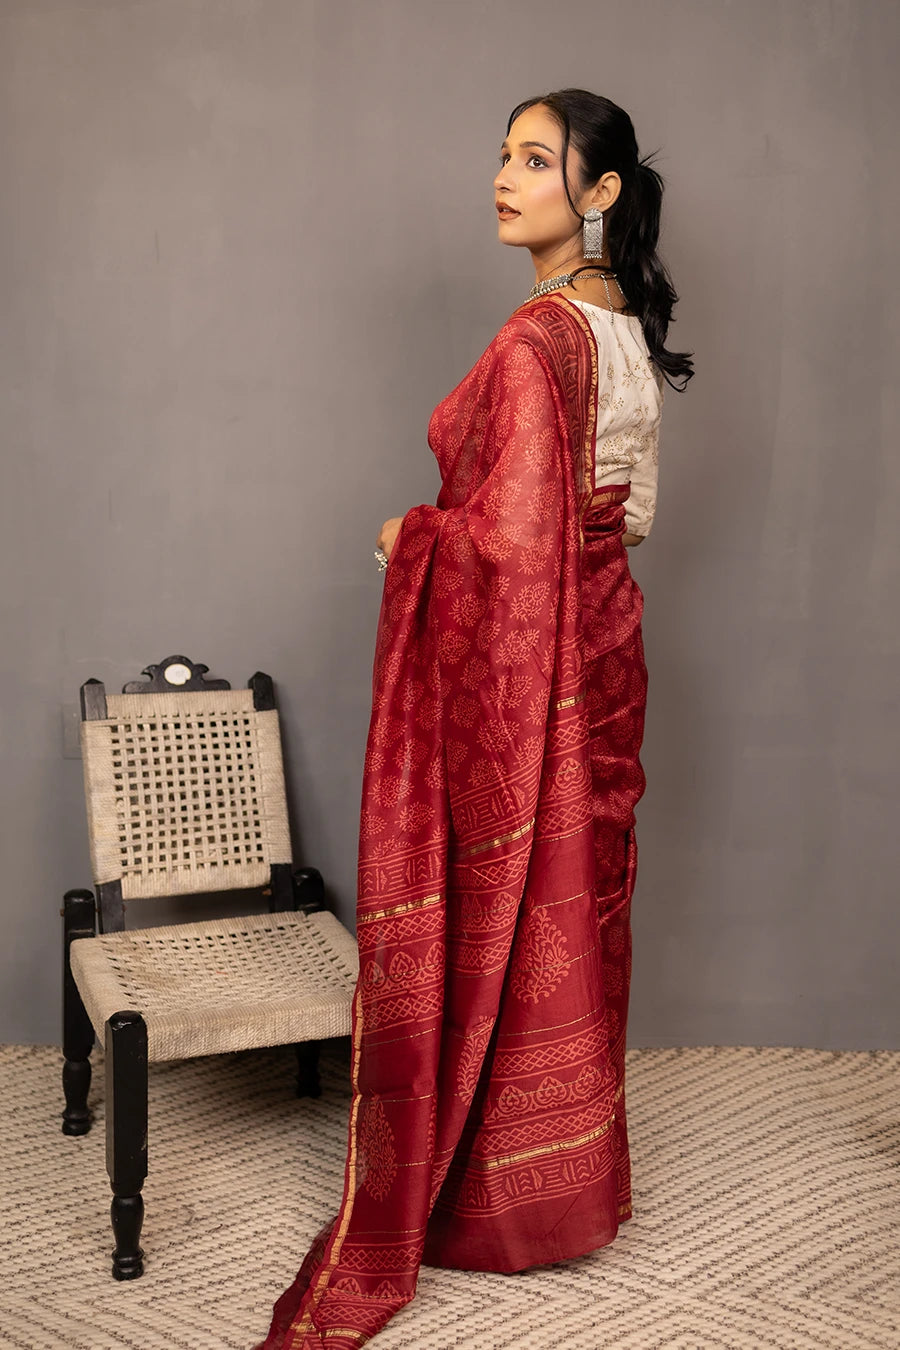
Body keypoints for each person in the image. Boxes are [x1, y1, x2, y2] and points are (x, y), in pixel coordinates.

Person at [258, 88, 693, 1350]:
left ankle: (499, 1200)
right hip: (606, 641)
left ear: (598, 194)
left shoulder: (533, 341)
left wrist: (417, 540)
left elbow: (504, 548)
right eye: (502, 154)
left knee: (525, 895)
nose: (505, 176)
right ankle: (568, 1191)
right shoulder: (614, 322)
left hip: (549, 643)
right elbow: (627, 517)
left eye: (537, 159)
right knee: (582, 896)